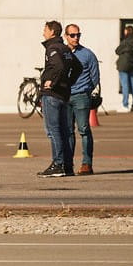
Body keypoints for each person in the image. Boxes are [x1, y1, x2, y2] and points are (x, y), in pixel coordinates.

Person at [37, 20, 83, 178]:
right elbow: (78, 67)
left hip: (53, 95)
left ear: (52, 32)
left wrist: (53, 83)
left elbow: (59, 67)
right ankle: (67, 165)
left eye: (45, 29)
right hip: (63, 95)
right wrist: (68, 83)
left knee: (53, 130)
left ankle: (58, 164)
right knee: (64, 131)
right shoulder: (65, 48)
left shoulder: (53, 48)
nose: (43, 32)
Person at [63, 24, 100, 175]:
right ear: (66, 36)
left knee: (84, 130)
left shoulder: (88, 54)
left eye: (78, 35)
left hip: (81, 97)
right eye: (72, 35)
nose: (76, 37)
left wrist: (86, 91)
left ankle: (87, 164)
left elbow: (95, 76)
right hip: (64, 97)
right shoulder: (61, 52)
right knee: (67, 132)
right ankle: (67, 164)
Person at [115, 25, 133, 112]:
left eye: (125, 30)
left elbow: (117, 51)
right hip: (132, 65)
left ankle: (125, 105)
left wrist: (123, 50)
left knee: (125, 85)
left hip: (123, 65)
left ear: (128, 31)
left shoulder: (125, 41)